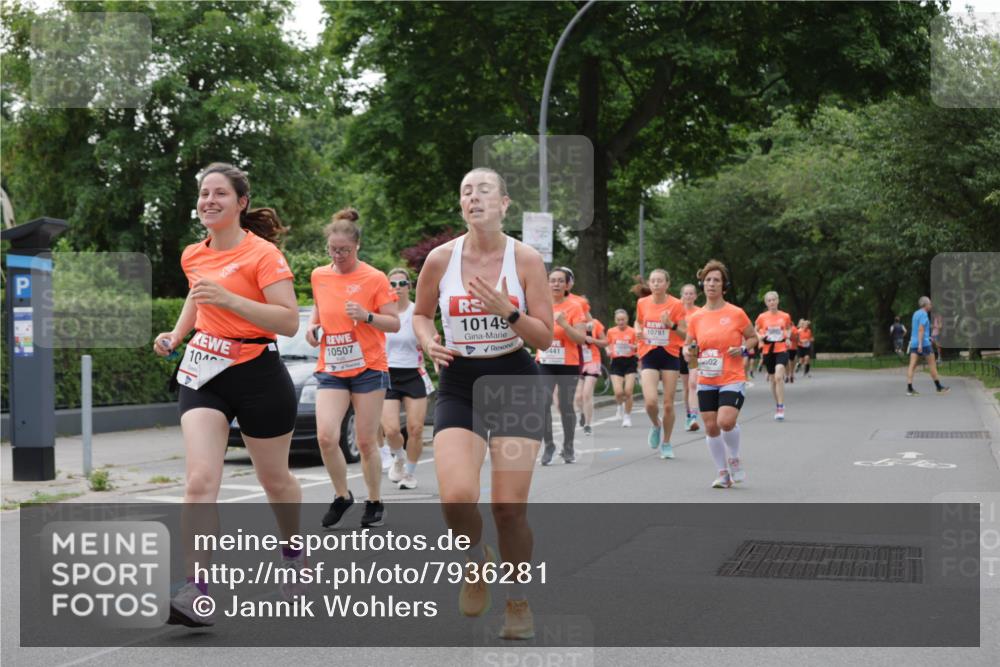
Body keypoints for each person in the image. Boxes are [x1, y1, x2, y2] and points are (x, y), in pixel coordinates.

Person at [154, 163, 302, 626]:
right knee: (200, 480)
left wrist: (231, 300)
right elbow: (198, 297)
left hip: (259, 373)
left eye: (220, 193)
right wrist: (177, 335)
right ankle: (196, 590)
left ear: (240, 203)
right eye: (203, 194)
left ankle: (294, 552)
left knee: (275, 481)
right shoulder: (192, 254)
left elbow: (288, 321)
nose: (209, 201)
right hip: (204, 373)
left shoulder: (265, 256)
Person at [413, 167, 552, 640]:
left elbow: (546, 336)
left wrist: (509, 312)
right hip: (460, 383)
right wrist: (429, 341)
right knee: (455, 498)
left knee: (508, 508)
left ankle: (517, 600)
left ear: (504, 203)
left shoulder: (526, 259)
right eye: (466, 191)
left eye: (484, 190)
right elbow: (419, 315)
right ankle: (475, 562)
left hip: (514, 378)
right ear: (461, 205)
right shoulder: (440, 259)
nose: (474, 198)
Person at [307, 208, 400, 529]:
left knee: (364, 441)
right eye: (333, 250)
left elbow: (394, 322)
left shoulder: (374, 278)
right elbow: (319, 310)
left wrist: (367, 316)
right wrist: (312, 328)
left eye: (344, 250)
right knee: (326, 437)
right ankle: (341, 495)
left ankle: (374, 501)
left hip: (369, 367)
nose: (339, 255)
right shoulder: (319, 275)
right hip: (332, 365)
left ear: (357, 246)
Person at [684, 259, 758, 488]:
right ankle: (722, 473)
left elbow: (753, 337)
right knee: (711, 426)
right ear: (702, 285)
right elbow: (689, 346)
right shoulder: (696, 317)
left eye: (716, 280)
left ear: (723, 285)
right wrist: (689, 355)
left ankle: (734, 457)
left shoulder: (736, 313)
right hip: (707, 378)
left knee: (725, 422)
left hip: (732, 377)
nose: (711, 284)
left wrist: (744, 349)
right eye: (708, 280)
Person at [380, 267, 428, 490]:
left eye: (402, 284)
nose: (397, 288)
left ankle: (409, 474)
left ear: (409, 287)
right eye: (393, 284)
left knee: (416, 428)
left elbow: (428, 334)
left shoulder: (416, 311)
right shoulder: (381, 312)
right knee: (390, 430)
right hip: (388, 374)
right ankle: (399, 457)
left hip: (413, 373)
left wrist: (431, 342)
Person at [634, 269, 687, 459]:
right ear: (649, 284)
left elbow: (685, 334)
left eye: (660, 281)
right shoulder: (642, 302)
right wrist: (638, 331)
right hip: (648, 353)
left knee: (668, 405)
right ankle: (656, 425)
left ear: (667, 284)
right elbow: (638, 322)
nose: (656, 284)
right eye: (653, 281)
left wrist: (671, 325)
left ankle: (666, 442)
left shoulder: (677, 304)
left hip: (670, 354)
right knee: (650, 402)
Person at [537, 268, 588, 463]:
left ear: (567, 285)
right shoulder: (540, 305)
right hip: (545, 362)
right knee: (542, 403)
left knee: (565, 406)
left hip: (568, 363)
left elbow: (581, 339)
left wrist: (565, 325)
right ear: (547, 283)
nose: (556, 284)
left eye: (560, 281)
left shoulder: (575, 307)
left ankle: (568, 447)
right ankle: (548, 445)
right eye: (552, 281)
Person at [755, 291, 793, 421]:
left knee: (778, 377)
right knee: (772, 380)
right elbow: (755, 330)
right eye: (769, 300)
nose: (772, 302)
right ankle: (778, 405)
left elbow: (788, 328)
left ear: (778, 300)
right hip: (767, 350)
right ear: (766, 303)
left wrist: (787, 336)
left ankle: (781, 407)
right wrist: (760, 337)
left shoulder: (785, 316)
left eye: (774, 300)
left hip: (781, 348)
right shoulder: (762, 317)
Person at [906, 296, 950, 396]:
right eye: (930, 303)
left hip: (913, 342)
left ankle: (909, 389)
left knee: (912, 366)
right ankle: (939, 387)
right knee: (932, 365)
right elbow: (921, 329)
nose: (931, 305)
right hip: (924, 344)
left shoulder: (915, 313)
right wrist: (921, 344)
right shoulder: (924, 314)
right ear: (925, 305)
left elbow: (916, 328)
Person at [574, 314, 607, 435]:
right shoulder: (571, 322)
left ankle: (588, 424)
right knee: (578, 397)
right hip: (577, 361)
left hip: (593, 360)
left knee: (587, 394)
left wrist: (594, 340)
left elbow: (605, 342)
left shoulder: (595, 323)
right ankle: (582, 413)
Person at [606, 309, 638, 427]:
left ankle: (627, 417)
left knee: (628, 391)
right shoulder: (611, 331)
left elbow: (639, 346)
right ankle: (619, 406)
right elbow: (607, 344)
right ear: (615, 320)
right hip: (616, 362)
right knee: (618, 392)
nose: (621, 322)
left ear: (627, 320)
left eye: (623, 319)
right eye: (618, 320)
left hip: (630, 362)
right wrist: (608, 351)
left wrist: (633, 346)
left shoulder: (633, 331)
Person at [679, 283, 701, 431]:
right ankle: (688, 416)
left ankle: (694, 417)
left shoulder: (700, 312)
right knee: (686, 387)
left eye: (691, 293)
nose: (688, 296)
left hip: (694, 350)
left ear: (695, 296)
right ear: (682, 295)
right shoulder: (676, 312)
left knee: (694, 383)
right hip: (679, 350)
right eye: (686, 293)